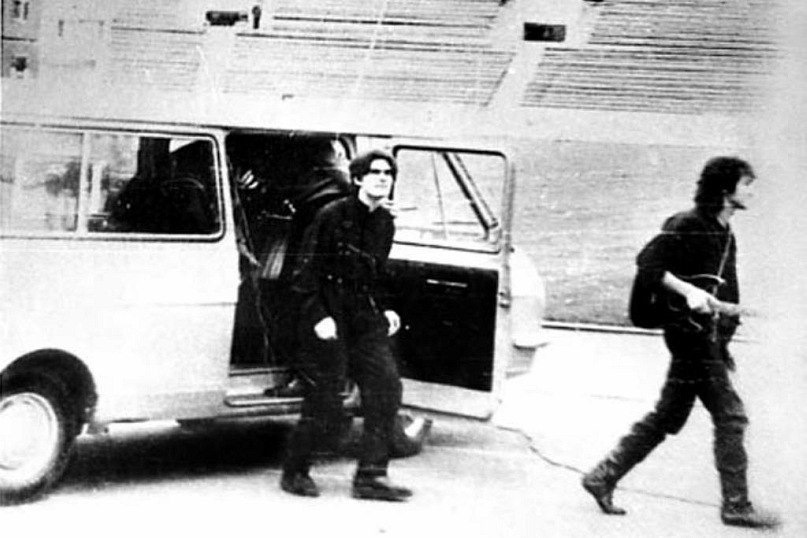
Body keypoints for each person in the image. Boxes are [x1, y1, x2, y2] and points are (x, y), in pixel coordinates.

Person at [581, 157, 780, 529]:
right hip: (688, 335)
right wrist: (688, 291)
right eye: (746, 184)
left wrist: (725, 334)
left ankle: (603, 476)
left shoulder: (724, 232)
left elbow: (726, 291)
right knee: (731, 415)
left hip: (704, 338)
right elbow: (648, 263)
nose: (752, 192)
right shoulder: (688, 224)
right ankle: (736, 506)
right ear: (726, 189)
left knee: (668, 416)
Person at [280, 149, 411, 501]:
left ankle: (371, 476)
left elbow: (376, 273)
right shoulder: (331, 216)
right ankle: (295, 471)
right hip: (328, 317)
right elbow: (305, 274)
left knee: (386, 389)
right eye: (375, 172)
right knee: (325, 400)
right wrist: (319, 317)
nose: (382, 178)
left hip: (364, 322)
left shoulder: (384, 223)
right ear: (357, 179)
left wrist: (386, 307)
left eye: (388, 173)